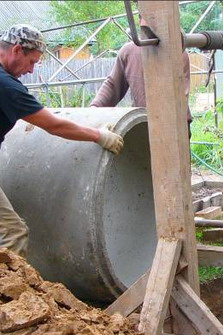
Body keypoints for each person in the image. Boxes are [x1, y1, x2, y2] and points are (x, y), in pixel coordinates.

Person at [0, 24, 124, 257]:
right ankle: (9, 293)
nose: (31, 70)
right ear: (17, 50)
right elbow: (54, 125)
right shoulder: (6, 86)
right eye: (32, 62)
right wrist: (98, 135)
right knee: (13, 233)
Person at [90, 21, 192, 137]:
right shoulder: (128, 52)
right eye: (142, 17)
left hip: (175, 127)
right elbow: (113, 85)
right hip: (142, 126)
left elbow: (180, 95)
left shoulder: (177, 52)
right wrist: (94, 109)